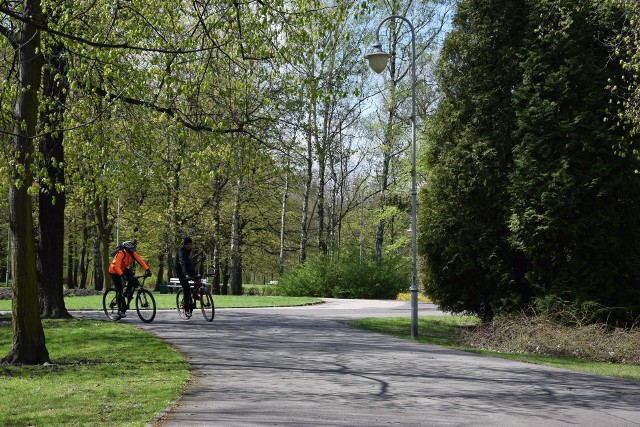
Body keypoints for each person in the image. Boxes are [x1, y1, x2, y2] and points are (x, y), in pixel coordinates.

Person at [108, 240, 152, 317]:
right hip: (114, 271)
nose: (132, 250)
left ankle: (127, 293)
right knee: (120, 290)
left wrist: (147, 270)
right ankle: (120, 310)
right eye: (130, 249)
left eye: (132, 248)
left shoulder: (132, 253)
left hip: (123, 268)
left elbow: (140, 261)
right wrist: (122, 275)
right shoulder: (121, 253)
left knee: (134, 278)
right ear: (126, 248)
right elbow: (117, 266)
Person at [175, 237, 198, 315]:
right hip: (181, 271)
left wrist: (193, 273)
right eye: (188, 245)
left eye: (191, 245)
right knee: (187, 289)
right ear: (184, 245)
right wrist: (186, 275)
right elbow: (182, 263)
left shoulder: (189, 250)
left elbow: (188, 263)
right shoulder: (181, 251)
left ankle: (195, 294)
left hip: (187, 269)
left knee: (198, 278)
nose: (190, 246)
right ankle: (186, 307)